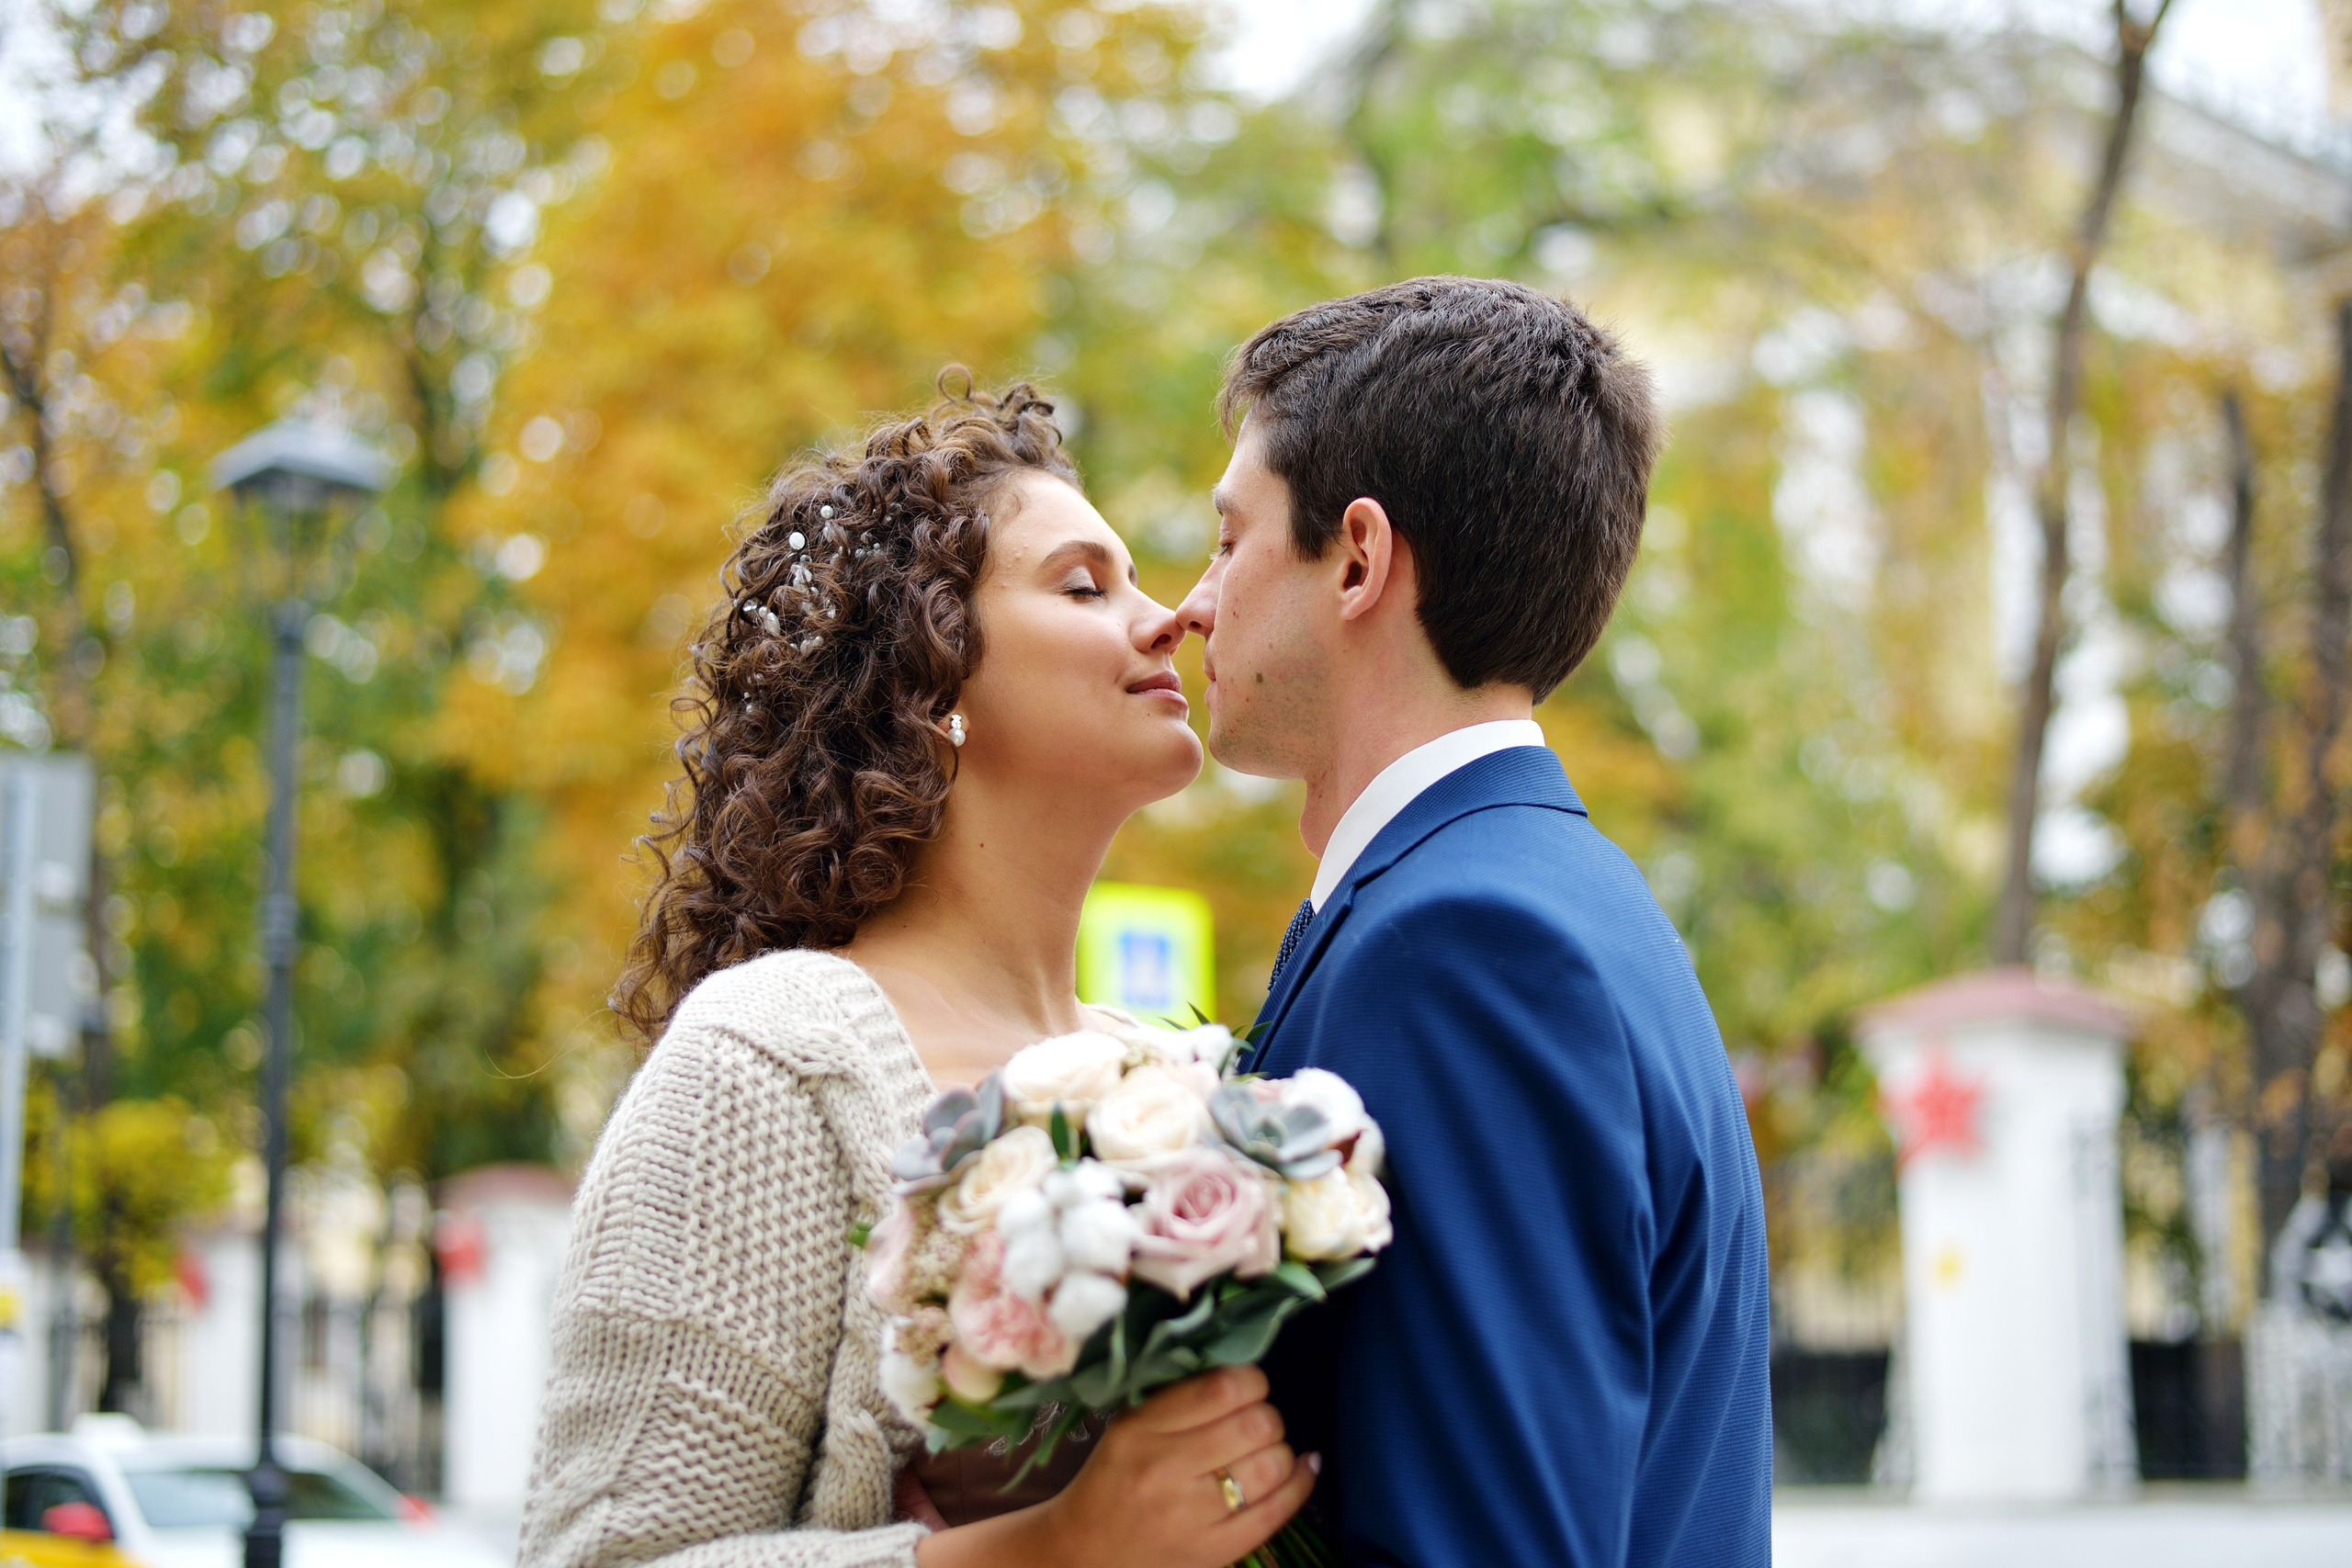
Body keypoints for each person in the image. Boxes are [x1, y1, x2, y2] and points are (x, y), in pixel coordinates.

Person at [517, 379, 1315, 1568]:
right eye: (1087, 586)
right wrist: (1054, 1550)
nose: (1170, 621)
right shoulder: (774, 1058)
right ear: (930, 678)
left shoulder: (1172, 1075)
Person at [1173, 276, 1772, 1565]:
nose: (1195, 603)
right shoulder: (1552, 900)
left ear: (1360, 559)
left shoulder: (1465, 949)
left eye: (1230, 537)